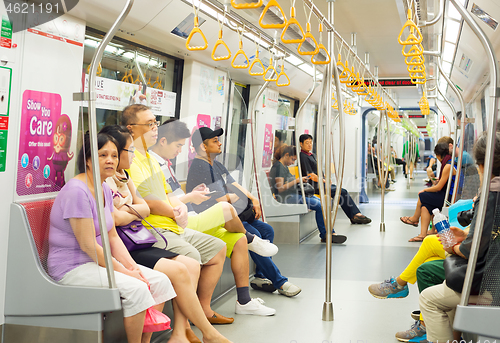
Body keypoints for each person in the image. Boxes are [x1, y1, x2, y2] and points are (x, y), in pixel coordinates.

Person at [121, 105, 276, 319]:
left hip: (182, 215)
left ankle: (240, 300)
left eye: (155, 123)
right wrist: (182, 207)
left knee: (236, 239)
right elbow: (150, 203)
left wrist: (184, 203)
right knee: (226, 209)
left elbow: (168, 196)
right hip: (167, 223)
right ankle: (255, 247)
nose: (154, 128)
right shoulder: (139, 161)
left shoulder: (159, 162)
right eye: (149, 124)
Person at [100, 125, 246, 343]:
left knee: (192, 261)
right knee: (188, 259)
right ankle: (204, 333)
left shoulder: (128, 174)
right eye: (128, 150)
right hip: (130, 241)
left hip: (140, 235)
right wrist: (134, 211)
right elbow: (117, 218)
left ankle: (182, 330)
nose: (130, 154)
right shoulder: (103, 183)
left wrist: (131, 211)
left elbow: (143, 208)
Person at [47, 132, 176, 343]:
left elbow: (112, 237)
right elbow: (88, 245)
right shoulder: (77, 192)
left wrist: (131, 267)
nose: (110, 160)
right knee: (136, 288)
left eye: (114, 155)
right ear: (87, 159)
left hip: (95, 261)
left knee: (160, 282)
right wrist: (126, 273)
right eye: (102, 154)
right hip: (72, 266)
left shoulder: (105, 189)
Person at [186, 126, 302, 297]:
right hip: (216, 217)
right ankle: (280, 281)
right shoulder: (200, 167)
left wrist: (253, 199)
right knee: (253, 232)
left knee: (267, 230)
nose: (220, 143)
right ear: (203, 147)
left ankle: (261, 277)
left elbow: (234, 185)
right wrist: (235, 197)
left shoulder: (215, 164)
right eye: (215, 141)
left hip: (233, 213)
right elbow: (220, 199)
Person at [419, 131, 500, 343]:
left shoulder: (491, 196)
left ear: (483, 165)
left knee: (429, 299)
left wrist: (454, 246)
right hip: (495, 275)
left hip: (492, 285)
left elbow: (470, 251)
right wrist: (466, 236)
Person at [269, 144, 347, 244]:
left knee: (322, 202)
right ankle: (325, 235)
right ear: (286, 155)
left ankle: (330, 232)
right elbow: (280, 188)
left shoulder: (283, 166)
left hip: (293, 194)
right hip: (285, 197)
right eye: (292, 159)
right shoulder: (279, 167)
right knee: (318, 205)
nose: (293, 162)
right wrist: (297, 180)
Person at [299, 134, 372, 223]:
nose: (309, 145)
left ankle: (354, 215)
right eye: (307, 143)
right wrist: (323, 180)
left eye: (310, 142)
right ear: (301, 144)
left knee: (341, 191)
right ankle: (355, 215)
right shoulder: (303, 156)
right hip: (313, 186)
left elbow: (317, 170)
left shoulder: (311, 155)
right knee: (341, 192)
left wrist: (325, 177)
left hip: (321, 183)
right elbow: (310, 174)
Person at [400, 142, 457, 242]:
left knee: (423, 195)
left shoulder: (448, 166)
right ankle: (423, 234)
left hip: (448, 198)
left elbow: (439, 188)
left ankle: (415, 219)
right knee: (425, 206)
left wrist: (425, 189)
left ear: (439, 155)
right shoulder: (449, 163)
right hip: (447, 194)